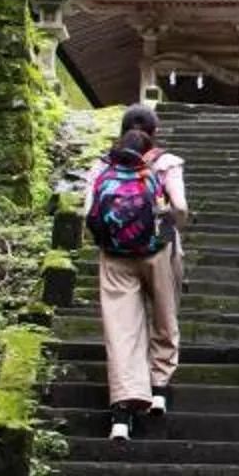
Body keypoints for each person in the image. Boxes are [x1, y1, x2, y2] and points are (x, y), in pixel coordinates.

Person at [86, 104, 186, 441]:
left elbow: (89, 211)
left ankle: (122, 414)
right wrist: (173, 223)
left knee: (122, 329)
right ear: (154, 133)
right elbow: (181, 207)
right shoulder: (166, 162)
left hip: (114, 254)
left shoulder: (102, 166)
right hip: (158, 249)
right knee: (164, 316)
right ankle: (158, 389)